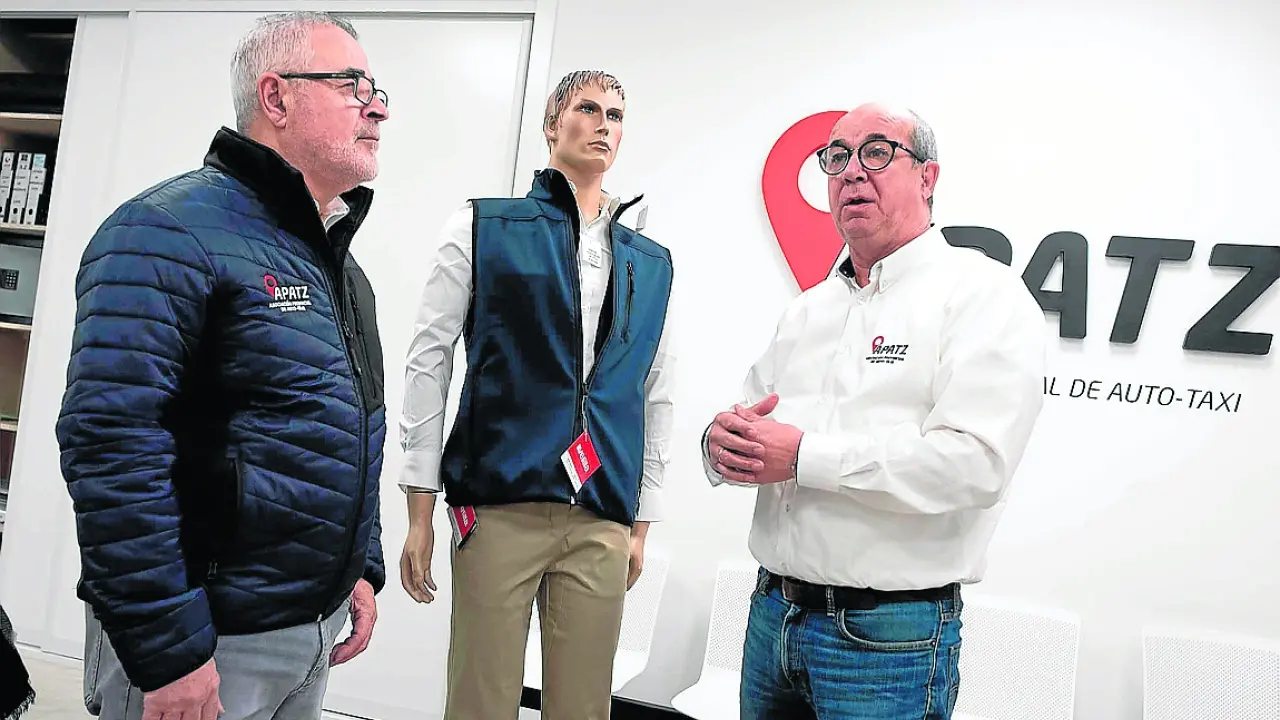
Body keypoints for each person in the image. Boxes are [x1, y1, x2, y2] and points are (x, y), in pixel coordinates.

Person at [56, 11, 390, 720]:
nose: (378, 107)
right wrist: (168, 648)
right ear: (276, 97)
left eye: (377, 90)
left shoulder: (340, 268)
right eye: (353, 86)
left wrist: (361, 565)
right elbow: (110, 444)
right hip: (205, 639)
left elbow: (355, 424)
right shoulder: (163, 232)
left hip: (310, 629)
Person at [702, 103, 1046, 719]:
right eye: (837, 158)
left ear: (928, 177)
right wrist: (719, 444)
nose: (853, 172)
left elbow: (975, 464)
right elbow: (750, 421)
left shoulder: (982, 295)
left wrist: (804, 457)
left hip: (888, 640)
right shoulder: (809, 310)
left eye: (878, 153)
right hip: (772, 616)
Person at [397, 69, 675, 720]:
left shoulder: (650, 261)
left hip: (601, 513)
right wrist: (418, 507)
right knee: (481, 702)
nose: (603, 124)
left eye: (616, 115)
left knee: (582, 708)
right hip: (498, 504)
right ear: (552, 124)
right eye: (587, 108)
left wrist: (642, 521)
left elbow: (655, 391)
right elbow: (428, 361)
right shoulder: (482, 226)